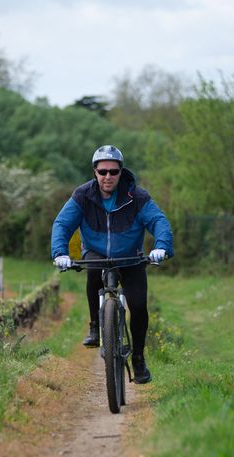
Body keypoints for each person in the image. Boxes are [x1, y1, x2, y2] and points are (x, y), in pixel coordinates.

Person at [51, 145, 173, 384]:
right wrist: (60, 253)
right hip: (95, 252)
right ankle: (95, 325)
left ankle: (138, 358)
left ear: (121, 172)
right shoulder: (82, 196)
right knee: (93, 270)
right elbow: (62, 224)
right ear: (95, 172)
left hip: (130, 256)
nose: (108, 176)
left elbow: (159, 221)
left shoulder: (137, 197)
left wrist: (161, 247)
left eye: (114, 172)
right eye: (103, 171)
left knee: (138, 305)